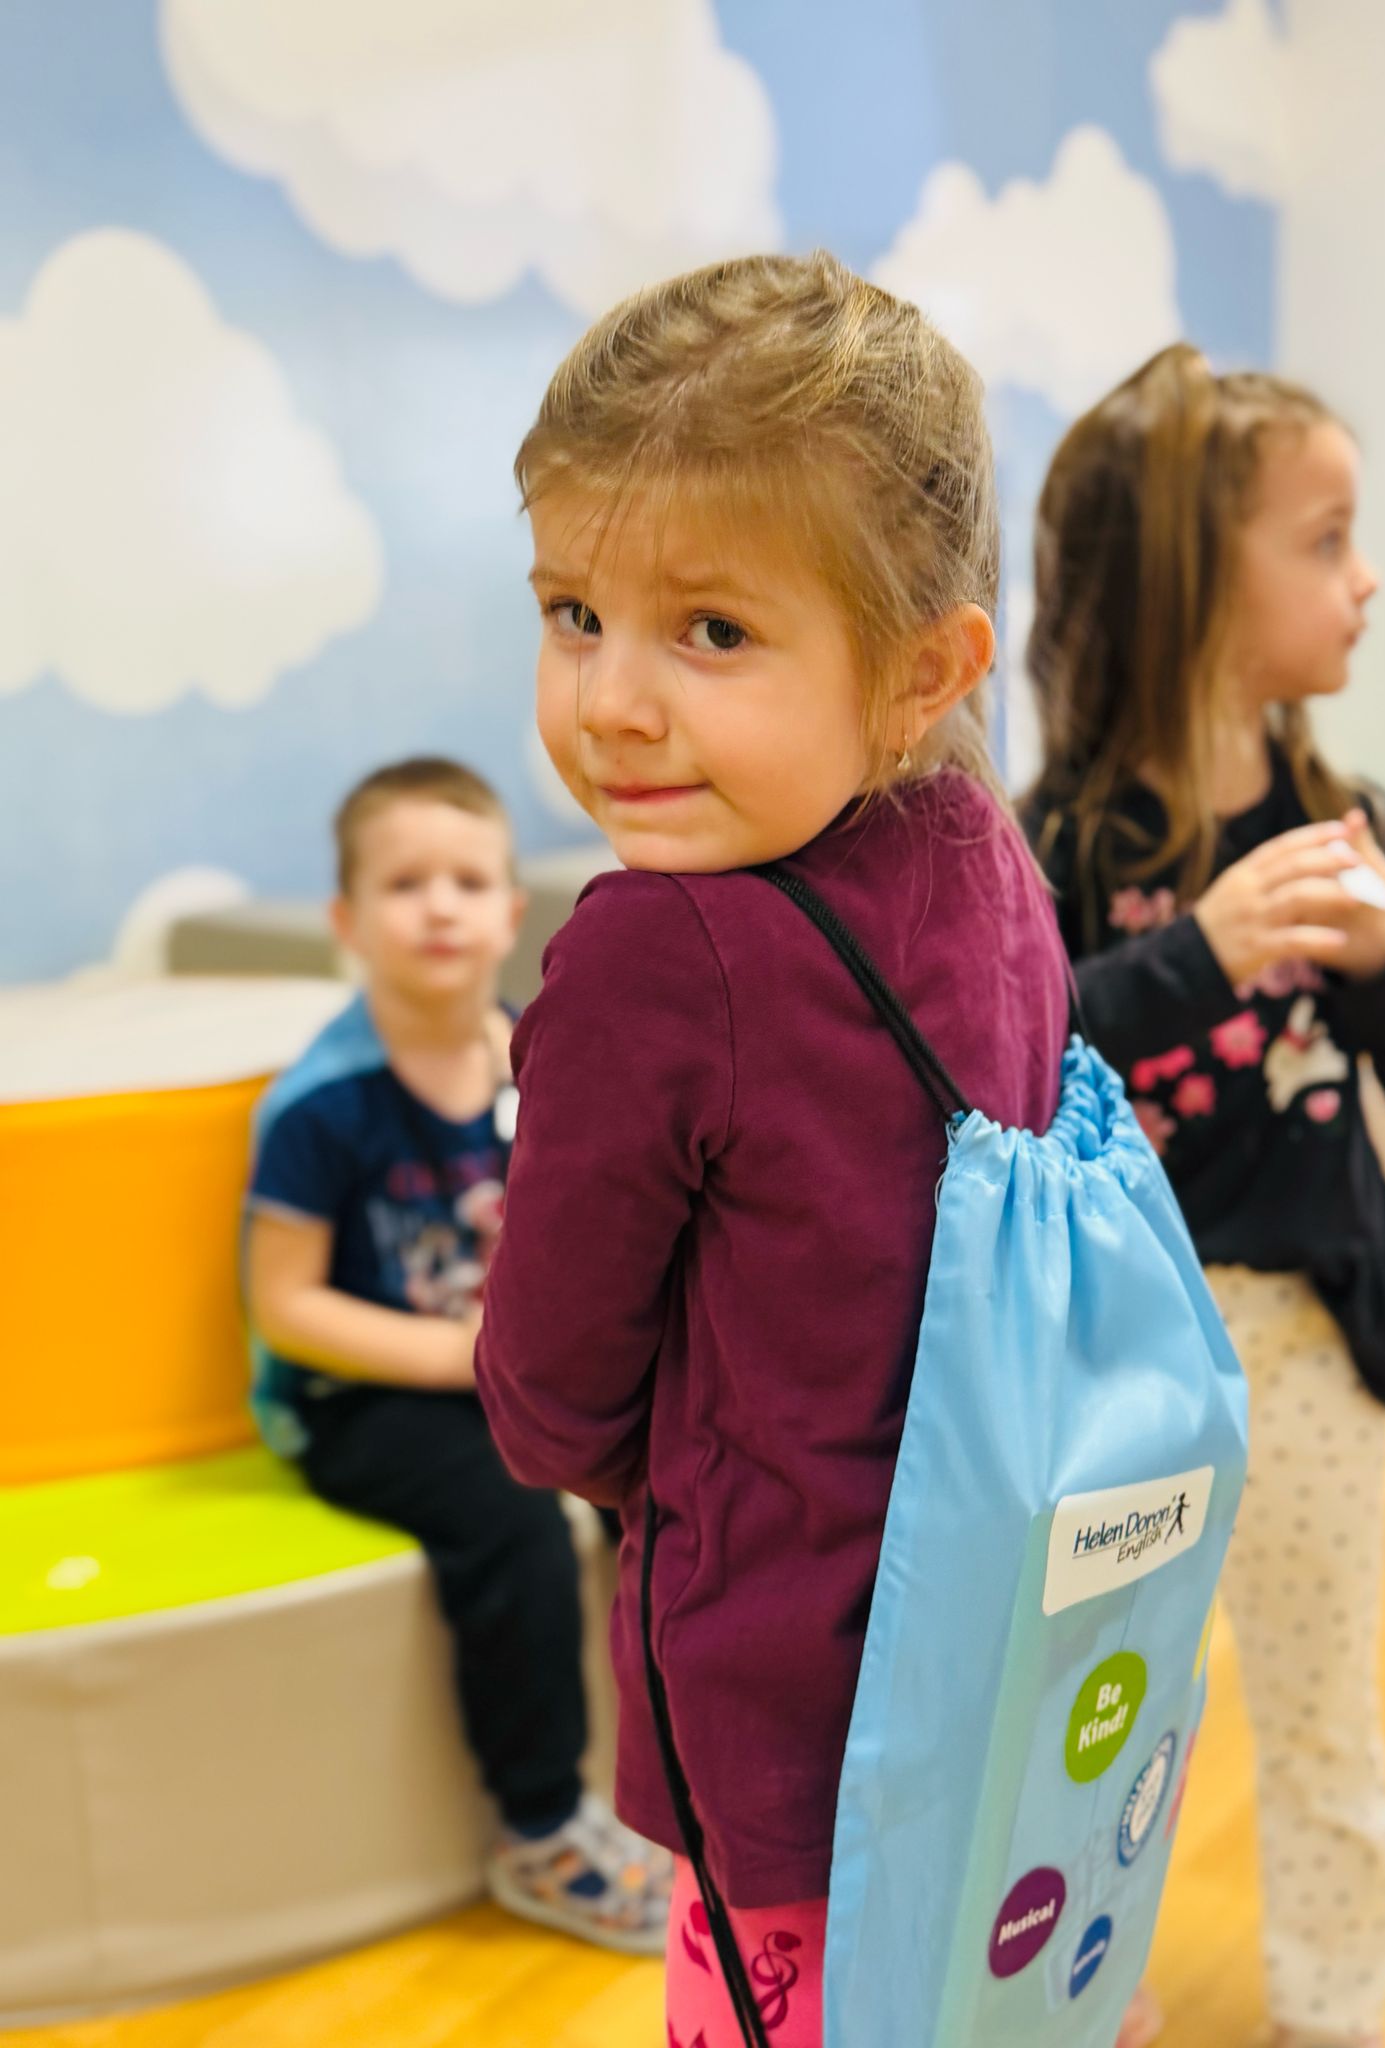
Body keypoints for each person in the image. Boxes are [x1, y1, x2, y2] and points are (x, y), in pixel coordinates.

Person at [469, 253, 1117, 2046]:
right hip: (1018, 1640)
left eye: (712, 632)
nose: (612, 700)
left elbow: (545, 1408)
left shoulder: (653, 956)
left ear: (921, 668)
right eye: (574, 612)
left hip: (788, 1716)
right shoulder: (983, 850)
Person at [1021, 344, 1385, 2048]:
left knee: (1316, 1703)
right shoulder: (1059, 845)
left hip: (1301, 1340)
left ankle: (1332, 2011)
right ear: (1192, 580)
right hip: (1105, 1355)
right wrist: (1197, 954)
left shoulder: (1346, 821)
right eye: (1327, 539)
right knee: (1096, 1715)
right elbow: (1011, 1077)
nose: (1367, 580)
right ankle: (1080, 1989)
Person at [243, 756, 670, 1953]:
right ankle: (540, 1827)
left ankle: (675, 1765)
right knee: (515, 1514)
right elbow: (286, 1307)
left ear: (510, 911)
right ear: (346, 920)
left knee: (660, 1467)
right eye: (405, 883)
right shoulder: (321, 1104)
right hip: (362, 1396)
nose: (440, 906)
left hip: (503, 1369)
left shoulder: (535, 1056)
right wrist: (458, 1357)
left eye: (468, 881)